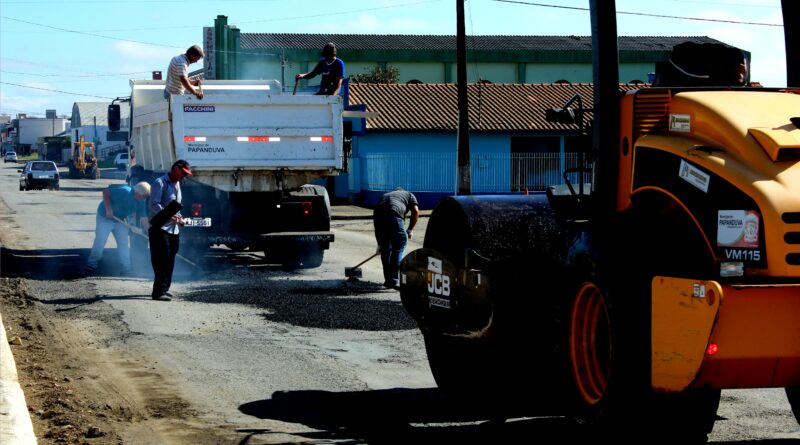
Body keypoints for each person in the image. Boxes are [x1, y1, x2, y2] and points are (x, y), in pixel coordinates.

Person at [148, 159, 192, 301]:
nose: (184, 176)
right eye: (183, 173)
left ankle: (165, 288)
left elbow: (175, 206)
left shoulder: (178, 184)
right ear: (176, 169)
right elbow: (154, 205)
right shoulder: (160, 183)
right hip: (160, 228)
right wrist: (170, 216)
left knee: (170, 259)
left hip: (173, 230)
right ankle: (158, 292)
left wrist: (180, 219)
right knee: (161, 260)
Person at [87, 182, 151, 274]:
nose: (144, 199)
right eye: (144, 196)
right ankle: (92, 264)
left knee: (123, 243)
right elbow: (106, 192)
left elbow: (144, 219)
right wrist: (109, 210)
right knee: (100, 240)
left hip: (120, 220)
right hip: (105, 217)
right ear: (137, 192)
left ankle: (126, 268)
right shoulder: (125, 191)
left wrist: (151, 234)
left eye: (146, 197)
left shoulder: (140, 202)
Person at [373, 187, 420, 289]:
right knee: (400, 244)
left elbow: (376, 222)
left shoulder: (385, 196)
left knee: (385, 250)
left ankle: (388, 280)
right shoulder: (409, 195)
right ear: (402, 191)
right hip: (394, 214)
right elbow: (415, 212)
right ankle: (394, 280)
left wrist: (379, 243)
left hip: (378, 216)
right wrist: (410, 230)